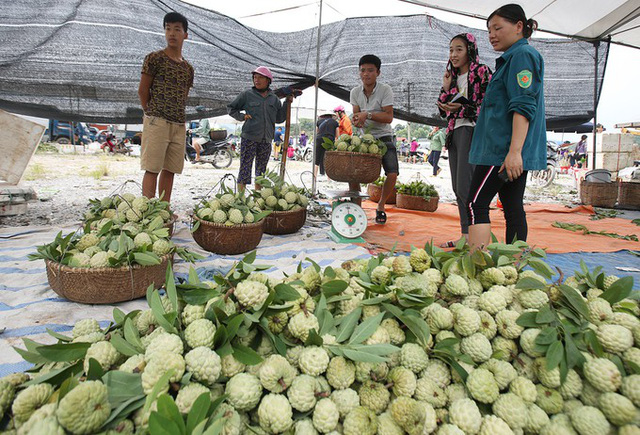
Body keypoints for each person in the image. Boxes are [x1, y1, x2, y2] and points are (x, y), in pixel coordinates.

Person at [466, 4, 546, 250]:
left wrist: (514, 152)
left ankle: (475, 265)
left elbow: (523, 105)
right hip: (508, 150)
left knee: (475, 204)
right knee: (512, 207)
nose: (492, 35)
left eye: (498, 28)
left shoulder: (522, 56)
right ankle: (515, 267)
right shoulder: (512, 58)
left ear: (519, 26)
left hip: (502, 150)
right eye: (489, 30)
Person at [437, 32, 492, 247]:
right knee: (458, 187)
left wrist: (463, 107)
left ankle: (473, 238)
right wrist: (445, 87)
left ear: (470, 50)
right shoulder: (452, 76)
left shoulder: (481, 71)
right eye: (451, 50)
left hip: (473, 131)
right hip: (454, 133)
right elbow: (443, 111)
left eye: (459, 49)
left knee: (467, 186)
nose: (453, 54)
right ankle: (465, 235)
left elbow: (489, 105)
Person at [138, 12, 194, 205]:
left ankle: (163, 209)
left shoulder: (188, 69)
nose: (172, 33)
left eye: (177, 29)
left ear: (185, 34)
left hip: (178, 123)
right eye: (168, 28)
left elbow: (183, 95)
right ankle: (146, 210)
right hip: (157, 121)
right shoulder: (154, 58)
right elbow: (143, 91)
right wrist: (151, 113)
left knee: (171, 169)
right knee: (152, 167)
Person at [349, 54, 397, 224]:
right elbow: (356, 115)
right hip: (364, 138)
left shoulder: (385, 90)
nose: (366, 74)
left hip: (383, 136)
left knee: (392, 172)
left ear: (378, 72)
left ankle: (381, 206)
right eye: (363, 70)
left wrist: (367, 114)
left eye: (370, 70)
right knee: (352, 172)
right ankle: (357, 206)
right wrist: (356, 120)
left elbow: (389, 117)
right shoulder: (355, 92)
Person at [227, 66, 292, 191]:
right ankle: (240, 198)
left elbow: (279, 118)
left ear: (268, 80)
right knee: (245, 167)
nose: (256, 80)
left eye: (260, 77)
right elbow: (231, 108)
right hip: (249, 137)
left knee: (261, 170)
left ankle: (258, 196)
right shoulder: (247, 95)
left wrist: (287, 103)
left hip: (266, 139)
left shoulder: (274, 98)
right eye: (255, 77)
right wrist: (241, 116)